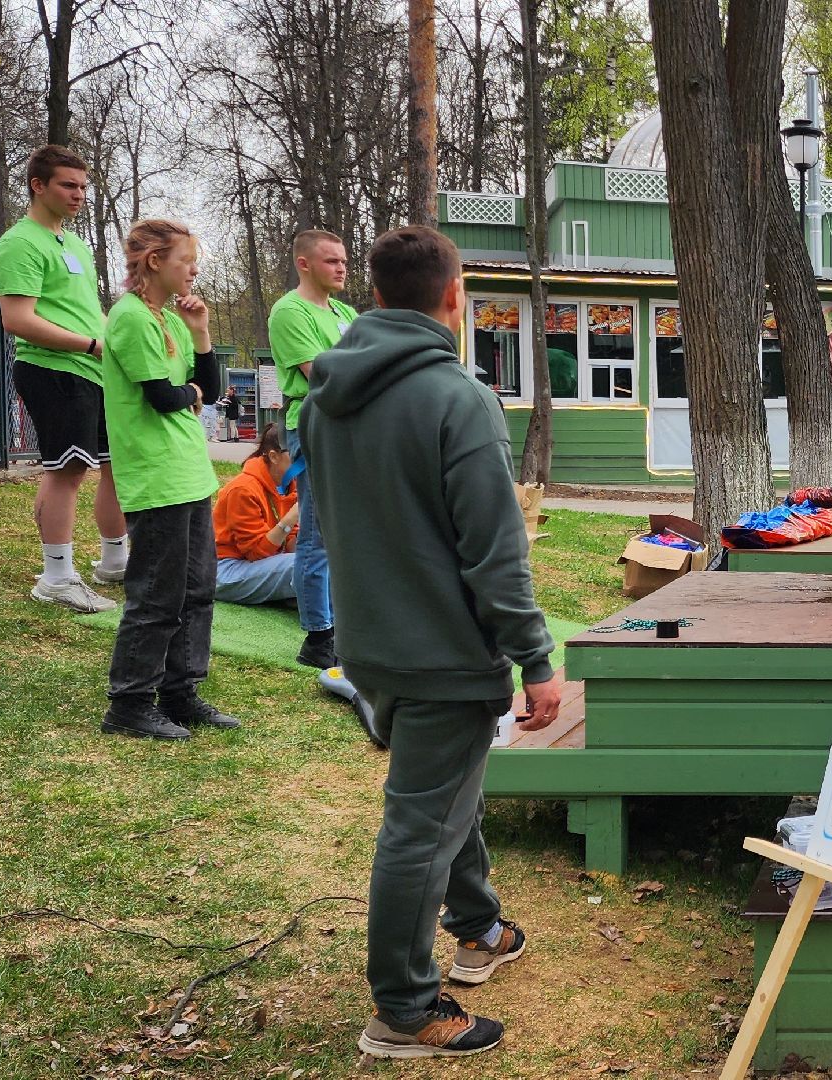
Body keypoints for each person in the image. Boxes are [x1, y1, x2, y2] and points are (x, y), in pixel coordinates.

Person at [300, 226, 562, 1058]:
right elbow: (496, 552)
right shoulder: (458, 398)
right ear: (454, 297)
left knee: (446, 793)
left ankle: (478, 927)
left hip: (370, 645)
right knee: (419, 826)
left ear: (375, 295)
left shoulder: (320, 396)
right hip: (442, 652)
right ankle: (404, 1010)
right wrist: (536, 659)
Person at [98, 219, 238, 740]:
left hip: (190, 475)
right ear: (155, 262)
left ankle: (180, 693)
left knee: (197, 590)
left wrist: (201, 334)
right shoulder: (131, 318)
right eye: (186, 260)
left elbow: (208, 389)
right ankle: (130, 702)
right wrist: (191, 395)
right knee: (157, 594)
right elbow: (164, 397)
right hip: (156, 477)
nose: (193, 270)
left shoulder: (174, 319)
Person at [0, 145, 127, 613]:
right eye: (69, 185)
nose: (79, 194)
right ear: (38, 185)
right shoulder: (19, 243)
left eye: (83, 186)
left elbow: (87, 312)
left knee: (114, 466)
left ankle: (115, 562)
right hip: (53, 370)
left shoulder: (76, 245)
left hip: (96, 372)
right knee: (66, 471)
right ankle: (56, 578)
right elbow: (18, 319)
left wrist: (118, 343)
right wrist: (89, 345)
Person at [268, 229, 358, 668]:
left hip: (351, 426)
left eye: (343, 261)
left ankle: (345, 626)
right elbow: (319, 374)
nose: (341, 268)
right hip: (314, 424)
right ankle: (318, 636)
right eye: (331, 261)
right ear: (303, 264)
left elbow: (365, 364)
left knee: (348, 532)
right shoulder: (290, 311)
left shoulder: (345, 312)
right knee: (318, 531)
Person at [211, 427, 300, 606]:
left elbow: (291, 544)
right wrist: (292, 517)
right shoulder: (243, 489)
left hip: (265, 562)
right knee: (301, 565)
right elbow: (255, 553)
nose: (304, 461)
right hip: (225, 569)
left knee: (318, 559)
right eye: (297, 453)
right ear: (274, 456)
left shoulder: (290, 484)